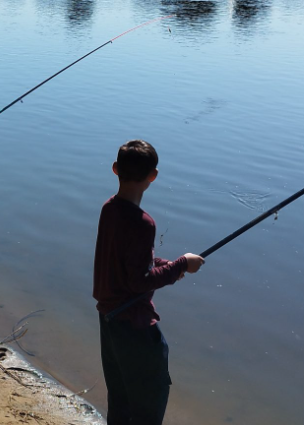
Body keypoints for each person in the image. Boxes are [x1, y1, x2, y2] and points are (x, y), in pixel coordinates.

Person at [93, 140, 205, 425]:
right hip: (134, 327)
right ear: (153, 176)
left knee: (120, 400)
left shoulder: (109, 208)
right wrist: (183, 264)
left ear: (115, 169)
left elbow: (127, 263)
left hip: (108, 321)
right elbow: (139, 282)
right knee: (148, 406)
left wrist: (164, 265)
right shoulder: (143, 223)